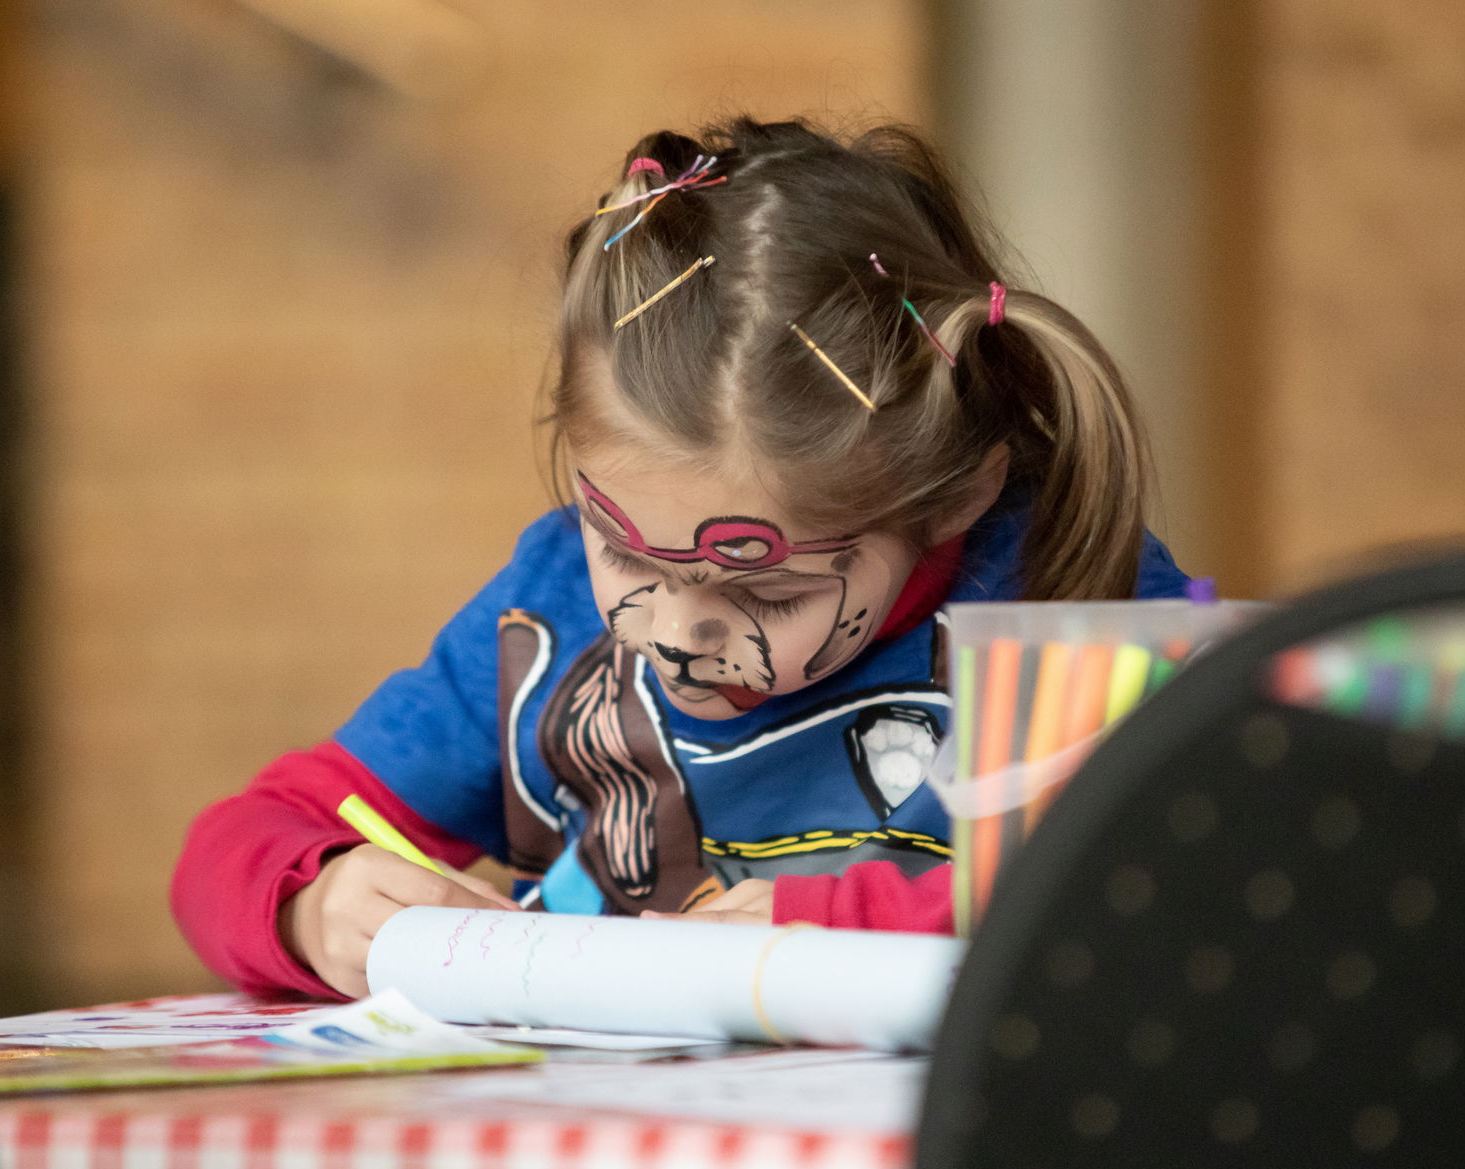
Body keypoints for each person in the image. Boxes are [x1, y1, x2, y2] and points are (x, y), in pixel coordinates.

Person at [173, 117, 1194, 999]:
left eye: (768, 589)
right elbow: (238, 841)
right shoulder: (550, 610)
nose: (673, 632)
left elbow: (1165, 890)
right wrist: (314, 903)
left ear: (955, 498)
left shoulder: (1066, 595)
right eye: (625, 550)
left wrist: (837, 931)